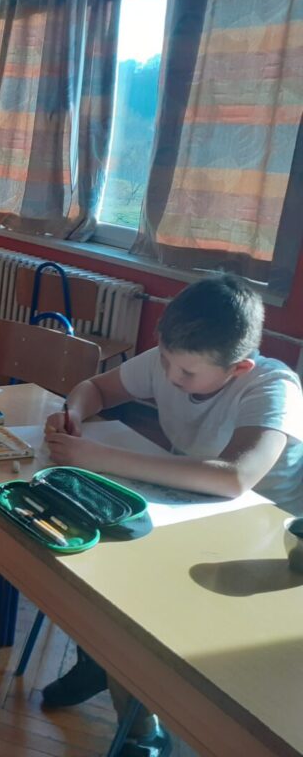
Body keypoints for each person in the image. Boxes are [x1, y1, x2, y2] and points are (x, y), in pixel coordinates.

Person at [41, 274, 303, 756]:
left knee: (144, 615)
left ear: (239, 368)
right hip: (191, 513)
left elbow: (235, 477)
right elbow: (95, 387)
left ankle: (143, 723)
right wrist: (73, 413)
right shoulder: (174, 358)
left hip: (263, 547)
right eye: (164, 359)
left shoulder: (274, 386)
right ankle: (105, 674)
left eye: (185, 372)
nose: (169, 375)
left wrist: (102, 456)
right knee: (97, 571)